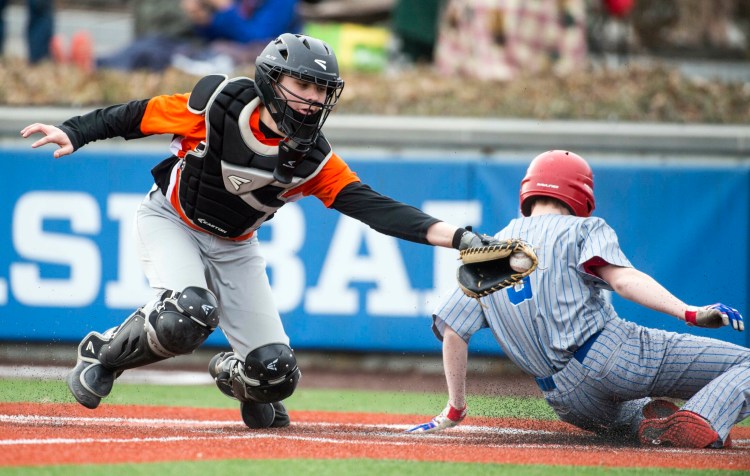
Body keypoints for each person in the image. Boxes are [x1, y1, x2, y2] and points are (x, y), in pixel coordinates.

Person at [21, 33, 500, 430]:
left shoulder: (314, 160)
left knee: (275, 374)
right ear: (272, 81)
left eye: (322, 91)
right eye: (303, 86)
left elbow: (375, 208)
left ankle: (233, 372)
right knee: (187, 315)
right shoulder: (217, 104)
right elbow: (136, 114)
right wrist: (75, 131)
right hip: (171, 220)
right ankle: (102, 355)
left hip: (235, 247)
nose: (313, 101)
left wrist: (462, 239)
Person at [406, 150, 748, 449]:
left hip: (568, 400)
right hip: (613, 356)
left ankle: (652, 422)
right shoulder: (582, 229)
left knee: (638, 417)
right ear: (581, 193)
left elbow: (453, 330)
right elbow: (624, 280)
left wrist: (456, 406)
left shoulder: (489, 249)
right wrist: (688, 312)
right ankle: (704, 416)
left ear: (527, 192)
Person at [94, 0, 301, 73]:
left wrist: (225, 7)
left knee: (151, 53)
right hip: (216, 49)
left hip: (244, 56)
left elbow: (257, 36)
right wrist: (203, 21)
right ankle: (97, 63)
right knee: (153, 40)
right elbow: (221, 30)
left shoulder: (282, 2)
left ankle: (98, 66)